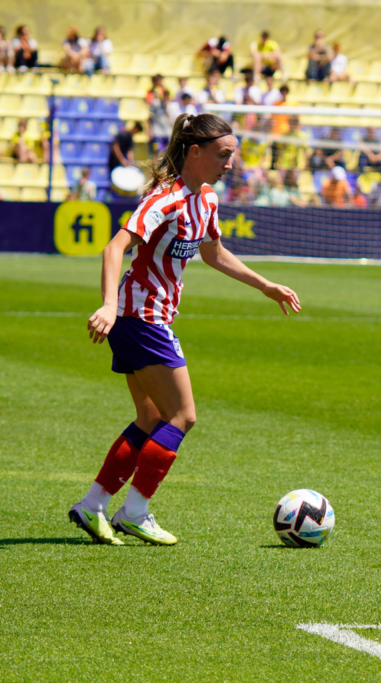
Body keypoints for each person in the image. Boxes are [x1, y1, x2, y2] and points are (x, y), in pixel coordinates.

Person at [73, 113, 300, 546]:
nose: (231, 163)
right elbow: (114, 247)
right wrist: (107, 305)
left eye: (232, 155)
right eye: (224, 154)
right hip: (141, 318)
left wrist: (265, 285)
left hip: (141, 318)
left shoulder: (207, 199)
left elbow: (215, 254)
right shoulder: (165, 199)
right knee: (183, 416)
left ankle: (92, 505)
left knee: (150, 417)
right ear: (195, 152)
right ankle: (135, 511)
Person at [149, 89, 172, 156]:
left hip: (167, 133)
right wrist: (150, 131)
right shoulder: (155, 103)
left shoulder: (169, 105)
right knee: (158, 153)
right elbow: (150, 117)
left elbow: (170, 118)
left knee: (167, 154)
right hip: (157, 133)